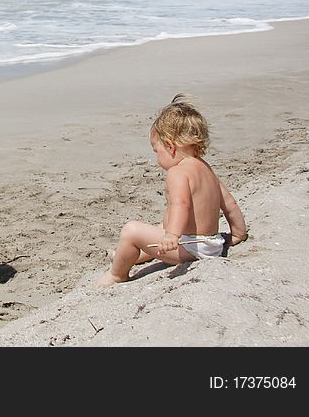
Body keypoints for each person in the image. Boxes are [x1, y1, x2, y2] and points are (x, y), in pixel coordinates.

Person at [97, 94, 248, 287]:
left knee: (132, 231)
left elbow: (180, 205)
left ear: (170, 146)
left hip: (192, 248)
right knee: (159, 228)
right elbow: (229, 204)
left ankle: (117, 275)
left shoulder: (177, 173)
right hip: (212, 244)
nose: (157, 157)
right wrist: (237, 233)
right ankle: (127, 255)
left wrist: (172, 236)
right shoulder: (205, 168)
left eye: (156, 151)